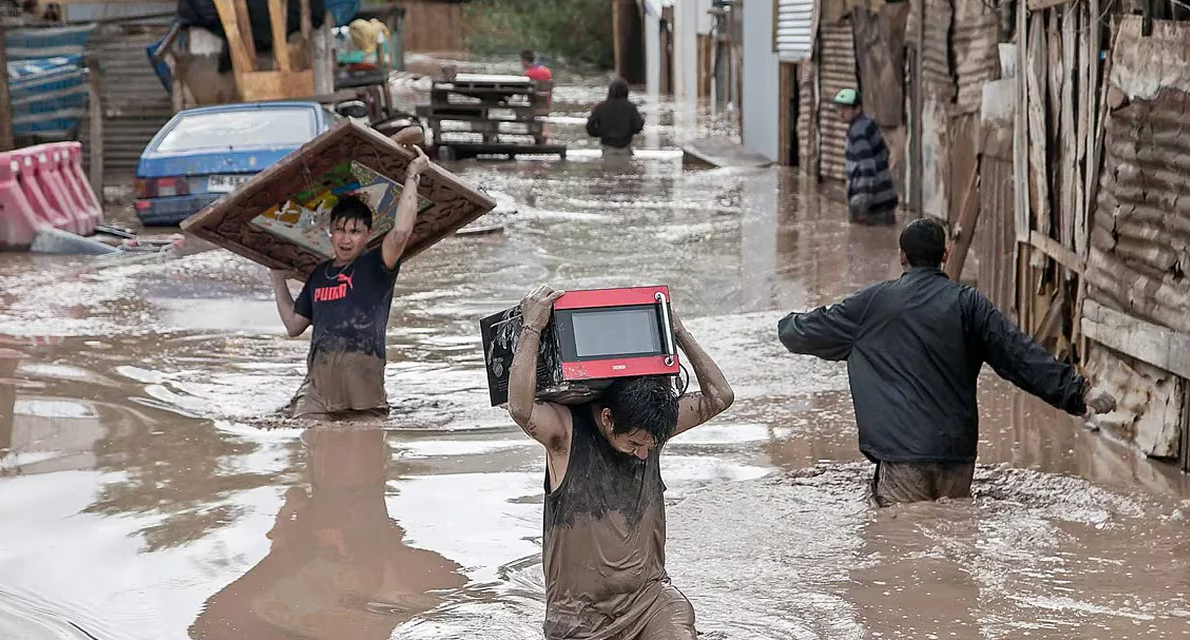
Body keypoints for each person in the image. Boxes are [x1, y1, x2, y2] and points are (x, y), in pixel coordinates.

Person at [776, 218, 1117, 507]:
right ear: (946, 254)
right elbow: (1020, 354)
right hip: (957, 459)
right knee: (951, 547)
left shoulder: (873, 305)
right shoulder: (968, 304)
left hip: (902, 459)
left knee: (901, 553)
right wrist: (1080, 393)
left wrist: (785, 322)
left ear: (901, 256)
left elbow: (802, 333)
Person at [508, 285, 734, 640]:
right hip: (580, 619)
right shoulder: (566, 434)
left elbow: (719, 396)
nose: (644, 453)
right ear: (609, 418)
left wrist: (676, 330)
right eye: (635, 444)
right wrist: (532, 327)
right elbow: (521, 409)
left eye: (651, 445)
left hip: (649, 601)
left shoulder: (651, 429)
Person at [269, 147, 431, 421]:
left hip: (363, 379)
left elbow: (402, 231)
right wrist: (277, 279)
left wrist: (413, 174)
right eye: (341, 230)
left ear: (368, 235)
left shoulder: (376, 266)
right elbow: (294, 326)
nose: (346, 239)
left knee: (364, 448)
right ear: (330, 232)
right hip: (318, 384)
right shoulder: (319, 275)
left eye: (355, 232)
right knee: (309, 439)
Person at [834, 88, 898, 226]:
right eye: (838, 108)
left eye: (845, 108)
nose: (840, 112)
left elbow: (867, 167)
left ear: (857, 109)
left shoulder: (858, 132)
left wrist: (862, 201)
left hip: (873, 203)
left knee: (863, 243)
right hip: (885, 198)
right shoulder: (867, 123)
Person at [586, 77, 645, 156]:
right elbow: (638, 126)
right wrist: (629, 132)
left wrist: (600, 133)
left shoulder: (600, 107)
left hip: (607, 146)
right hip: (625, 146)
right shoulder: (631, 107)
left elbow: (590, 126)